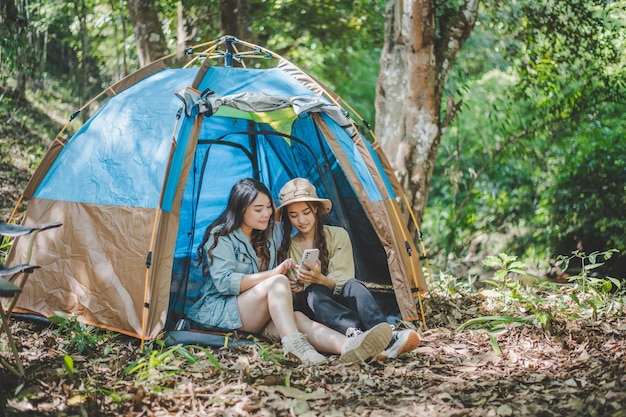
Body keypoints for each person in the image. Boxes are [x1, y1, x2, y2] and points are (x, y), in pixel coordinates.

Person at [187, 178, 392, 366]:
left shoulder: (268, 238)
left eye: (268, 207)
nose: (266, 214)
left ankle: (351, 346)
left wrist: (295, 286)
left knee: (298, 318)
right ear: (241, 210)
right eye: (258, 209)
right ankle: (294, 346)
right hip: (223, 311)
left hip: (255, 313)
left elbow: (276, 292)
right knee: (277, 282)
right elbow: (224, 283)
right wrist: (274, 274)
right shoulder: (222, 235)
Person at [276, 177, 420, 360]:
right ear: (287, 217)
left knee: (353, 285)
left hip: (342, 300)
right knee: (314, 292)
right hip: (318, 312)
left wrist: (320, 278)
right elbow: (295, 298)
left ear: (316, 210)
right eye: (293, 215)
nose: (301, 220)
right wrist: (296, 288)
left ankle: (386, 334)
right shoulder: (288, 248)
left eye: (306, 212)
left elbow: (343, 279)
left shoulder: (338, 235)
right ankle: (358, 337)